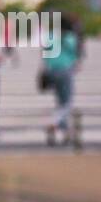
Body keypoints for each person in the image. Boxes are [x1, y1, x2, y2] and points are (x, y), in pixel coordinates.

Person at [41, 13, 81, 146]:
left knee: (60, 102)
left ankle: (65, 132)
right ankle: (54, 123)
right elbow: (75, 56)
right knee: (67, 103)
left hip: (52, 71)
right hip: (65, 71)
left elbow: (45, 55)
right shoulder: (70, 37)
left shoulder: (51, 36)